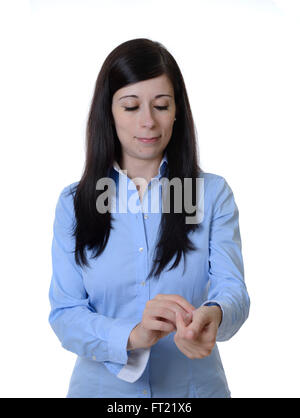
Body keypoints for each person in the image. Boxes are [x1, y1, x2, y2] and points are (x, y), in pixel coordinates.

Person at [48, 38, 250, 398]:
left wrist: (214, 314)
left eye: (161, 105)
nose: (148, 122)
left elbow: (232, 289)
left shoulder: (212, 194)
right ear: (108, 112)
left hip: (194, 391)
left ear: (177, 112)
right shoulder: (74, 203)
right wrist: (132, 336)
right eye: (130, 106)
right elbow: (65, 313)